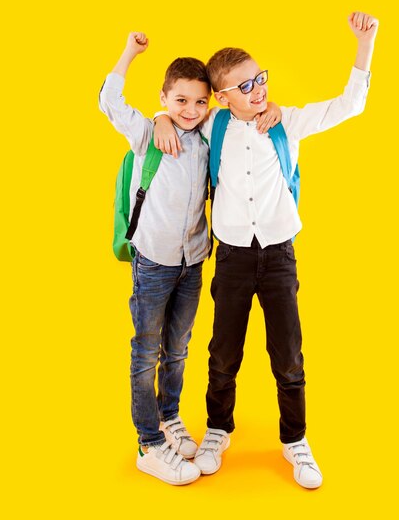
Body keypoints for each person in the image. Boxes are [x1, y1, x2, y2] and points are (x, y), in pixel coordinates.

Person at [153, 12, 379, 489]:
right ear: (222, 97)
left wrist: (365, 45)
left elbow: (350, 105)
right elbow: (177, 111)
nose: (257, 89)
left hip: (278, 255)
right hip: (232, 257)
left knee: (289, 354)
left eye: (261, 79)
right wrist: (157, 115)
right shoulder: (211, 125)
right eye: (245, 85)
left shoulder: (287, 122)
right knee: (222, 352)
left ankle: (295, 439)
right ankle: (218, 429)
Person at [99, 31, 281, 485]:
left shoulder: (205, 137)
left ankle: (169, 418)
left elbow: (238, 109)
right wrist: (132, 57)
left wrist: (272, 109)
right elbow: (108, 100)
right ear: (164, 98)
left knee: (177, 350)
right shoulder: (147, 134)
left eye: (200, 102)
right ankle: (149, 443)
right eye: (179, 101)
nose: (190, 110)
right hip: (153, 262)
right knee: (145, 352)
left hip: (194, 260)